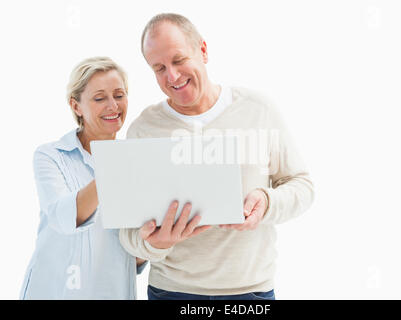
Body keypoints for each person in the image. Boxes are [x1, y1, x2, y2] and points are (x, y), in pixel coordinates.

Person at [119, 13, 315, 300]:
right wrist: (155, 244)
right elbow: (127, 233)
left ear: (203, 50)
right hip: (172, 291)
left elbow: (303, 186)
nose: (171, 76)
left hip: (250, 292)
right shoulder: (144, 129)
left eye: (178, 60)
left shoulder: (257, 110)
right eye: (159, 68)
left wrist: (267, 201)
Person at [20, 56, 208, 299]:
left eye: (119, 96)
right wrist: (117, 165)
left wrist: (158, 241)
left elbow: (135, 255)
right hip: (54, 291)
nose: (113, 106)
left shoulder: (139, 160)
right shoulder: (51, 155)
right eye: (99, 98)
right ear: (76, 106)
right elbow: (62, 217)